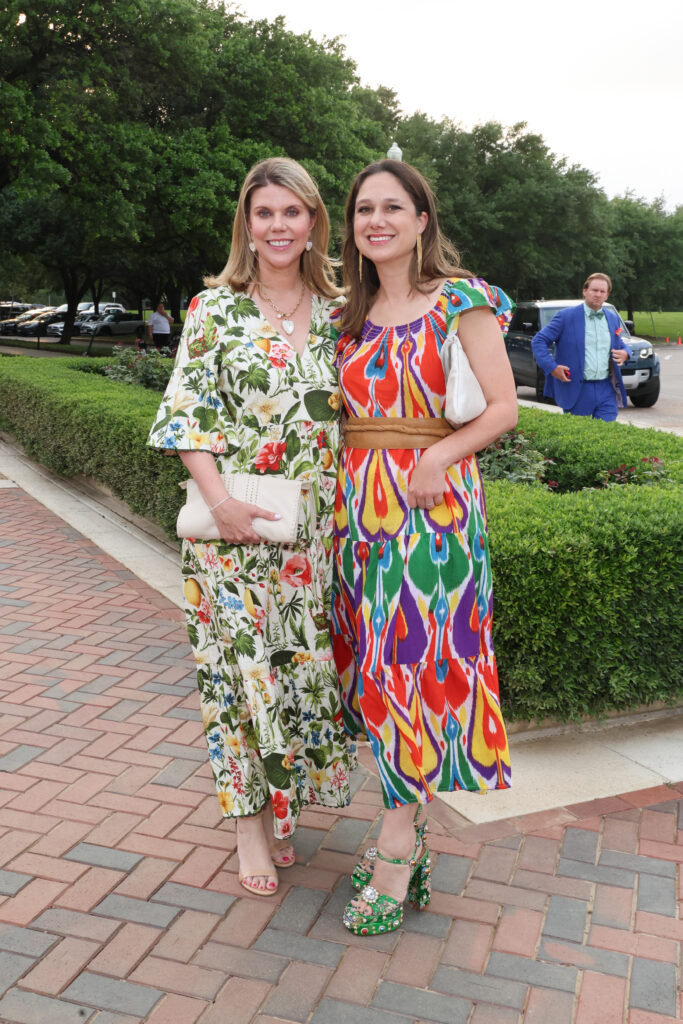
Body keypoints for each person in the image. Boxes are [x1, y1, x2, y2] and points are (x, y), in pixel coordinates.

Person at [148, 157, 353, 897]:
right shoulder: (214, 310)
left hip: (315, 539)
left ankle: (287, 807)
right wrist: (223, 504)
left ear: (312, 222)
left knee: (298, 674)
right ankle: (247, 830)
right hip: (232, 537)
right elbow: (184, 418)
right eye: (263, 214)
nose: (277, 227)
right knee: (239, 681)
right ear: (246, 223)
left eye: (291, 213)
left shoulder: (341, 311)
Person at [330, 159, 517, 936]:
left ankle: (397, 845)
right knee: (371, 677)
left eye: (391, 207)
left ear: (420, 219)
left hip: (430, 516)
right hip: (356, 517)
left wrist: (437, 457)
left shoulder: (459, 301)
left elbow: (502, 408)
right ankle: (408, 832)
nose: (376, 220)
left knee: (410, 674)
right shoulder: (351, 314)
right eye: (363, 209)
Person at [531, 273, 631, 421]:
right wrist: (552, 367)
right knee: (582, 439)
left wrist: (626, 353)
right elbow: (538, 340)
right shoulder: (565, 317)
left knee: (606, 437)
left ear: (607, 295)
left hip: (606, 389)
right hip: (577, 390)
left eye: (602, 291)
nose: (598, 294)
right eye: (594, 290)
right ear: (585, 291)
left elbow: (618, 343)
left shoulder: (613, 318)